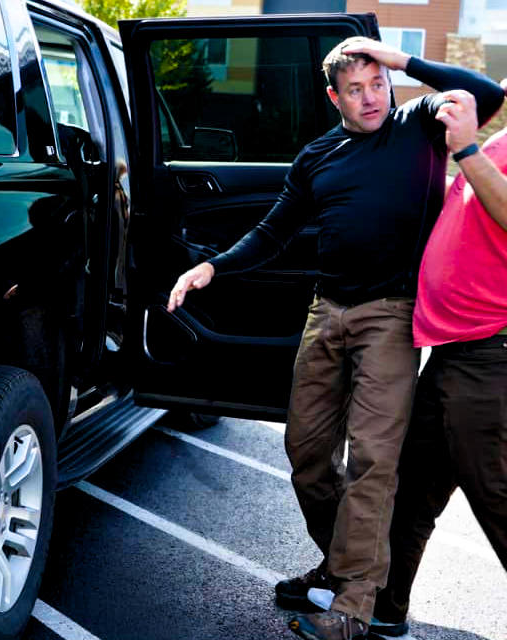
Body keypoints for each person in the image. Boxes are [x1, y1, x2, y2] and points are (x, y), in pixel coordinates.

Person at [167, 36, 505, 640]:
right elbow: (273, 232)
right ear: (334, 97)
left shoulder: (418, 126)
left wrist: (398, 58)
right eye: (356, 89)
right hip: (326, 312)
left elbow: (485, 93)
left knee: (373, 459)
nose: (371, 98)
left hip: (392, 317)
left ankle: (352, 606)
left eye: (378, 85)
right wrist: (213, 266)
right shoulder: (317, 156)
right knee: (307, 455)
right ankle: (339, 563)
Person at [366, 79, 507, 634]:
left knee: (497, 496)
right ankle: (386, 609)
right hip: (453, 353)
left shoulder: (481, 146)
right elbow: (473, 206)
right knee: (411, 489)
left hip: (491, 356)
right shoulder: (498, 144)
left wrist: (466, 149)